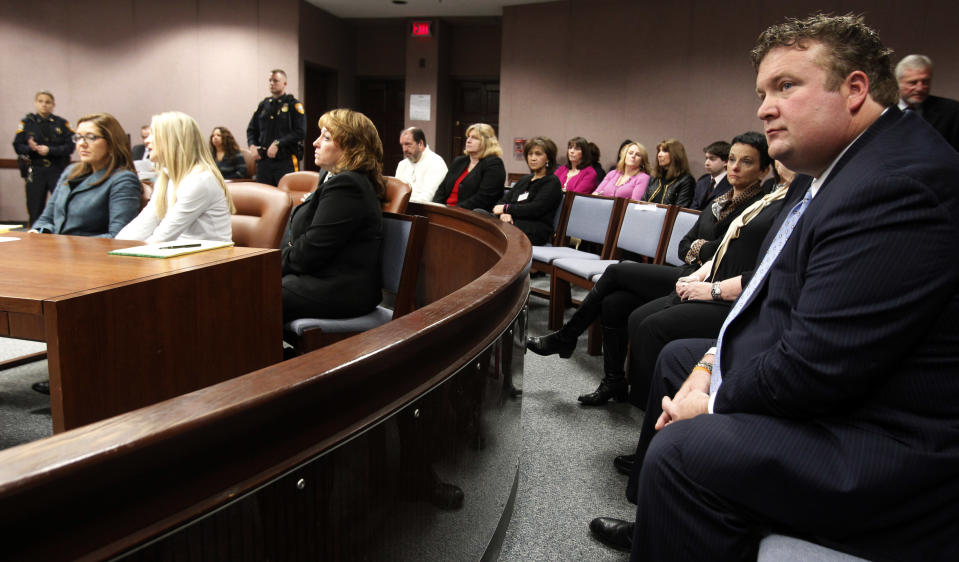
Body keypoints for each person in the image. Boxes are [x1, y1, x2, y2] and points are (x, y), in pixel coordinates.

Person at [588, 15, 959, 561]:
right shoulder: (829, 169)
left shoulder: (896, 185)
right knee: (679, 360)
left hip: (894, 444)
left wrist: (711, 399)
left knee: (684, 453)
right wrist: (710, 366)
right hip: (849, 395)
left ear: (855, 89)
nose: (764, 108)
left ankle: (675, 504)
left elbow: (819, 368)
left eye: (786, 86)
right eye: (762, 91)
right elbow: (772, 296)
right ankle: (656, 522)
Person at [527, 133, 767, 406]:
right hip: (687, 271)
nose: (734, 167)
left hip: (703, 282)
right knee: (614, 302)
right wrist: (701, 249)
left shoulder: (756, 209)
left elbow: (723, 253)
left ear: (763, 170)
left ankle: (567, 336)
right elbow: (683, 245)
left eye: (745, 162)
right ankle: (614, 381)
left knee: (618, 271)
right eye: (732, 159)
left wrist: (700, 249)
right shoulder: (717, 202)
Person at [281, 108, 385, 323]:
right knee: (251, 285)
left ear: (351, 148)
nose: (315, 143)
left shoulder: (349, 185)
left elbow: (310, 251)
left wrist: (268, 264)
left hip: (343, 289)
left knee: (253, 292)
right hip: (320, 276)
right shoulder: (332, 178)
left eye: (326, 137)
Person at [117, 111, 233, 243]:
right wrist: (115, 246)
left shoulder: (200, 180)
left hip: (210, 260)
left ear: (172, 139)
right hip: (181, 257)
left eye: (153, 134)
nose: (147, 141)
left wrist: (118, 254)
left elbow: (162, 237)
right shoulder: (167, 177)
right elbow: (145, 221)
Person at [30, 112, 141, 238]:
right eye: (78, 137)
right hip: (58, 250)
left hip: (91, 254)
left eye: (91, 137)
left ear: (111, 143)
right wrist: (38, 232)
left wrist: (64, 244)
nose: (82, 143)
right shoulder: (71, 171)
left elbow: (118, 236)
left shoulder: (123, 180)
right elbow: (46, 218)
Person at [12, 91, 75, 226]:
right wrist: (31, 148)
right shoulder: (27, 123)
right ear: (35, 103)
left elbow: (70, 146)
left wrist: (50, 150)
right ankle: (35, 233)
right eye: (40, 101)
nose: (44, 105)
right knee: (35, 208)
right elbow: (17, 146)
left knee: (62, 204)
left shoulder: (61, 124)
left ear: (53, 105)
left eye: (48, 102)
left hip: (56, 169)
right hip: (35, 169)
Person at [490, 136, 562, 245]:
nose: (533, 158)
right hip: (513, 223)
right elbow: (502, 201)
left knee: (492, 230)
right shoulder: (525, 179)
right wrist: (504, 214)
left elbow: (534, 209)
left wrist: (506, 209)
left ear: (548, 158)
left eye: (538, 154)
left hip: (534, 229)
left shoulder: (552, 182)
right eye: (530, 154)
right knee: (479, 214)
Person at [246, 69, 307, 186]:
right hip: (264, 161)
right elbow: (251, 129)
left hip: (285, 159)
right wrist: (252, 145)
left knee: (287, 194)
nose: (272, 83)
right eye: (270, 81)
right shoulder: (264, 105)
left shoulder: (293, 105)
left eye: (275, 81)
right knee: (263, 195)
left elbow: (300, 132)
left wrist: (278, 143)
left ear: (285, 84)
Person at [432, 123, 506, 212]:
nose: (468, 140)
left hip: (471, 216)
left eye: (474, 138)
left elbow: (484, 198)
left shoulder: (494, 164)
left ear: (486, 142)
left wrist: (454, 211)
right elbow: (442, 190)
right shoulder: (459, 161)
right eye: (468, 137)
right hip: (446, 211)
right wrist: (435, 208)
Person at [895, 54, 959, 152]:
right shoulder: (881, 111)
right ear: (897, 82)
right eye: (913, 82)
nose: (920, 88)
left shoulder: (951, 111)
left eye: (925, 82)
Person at [395, 127, 448, 202]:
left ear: (420, 144)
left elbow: (426, 198)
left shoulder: (436, 162)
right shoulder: (402, 165)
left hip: (426, 211)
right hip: (402, 209)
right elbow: (396, 193)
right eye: (402, 145)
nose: (404, 150)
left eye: (408, 144)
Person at [641, 139, 694, 208]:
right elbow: (643, 201)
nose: (659, 155)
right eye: (659, 151)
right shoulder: (655, 177)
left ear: (675, 155)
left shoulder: (685, 180)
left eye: (664, 151)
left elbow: (680, 209)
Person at [689, 140, 731, 210]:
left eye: (712, 159)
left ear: (726, 162)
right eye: (706, 158)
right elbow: (693, 208)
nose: (706, 163)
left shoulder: (732, 183)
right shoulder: (702, 182)